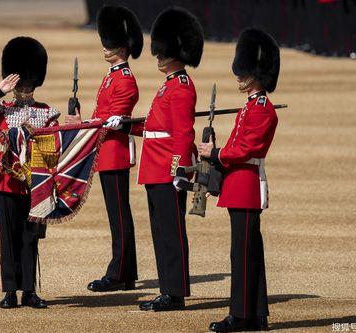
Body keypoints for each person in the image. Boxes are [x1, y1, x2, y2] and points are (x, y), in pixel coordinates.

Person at [105, 7, 203, 311]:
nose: (157, 57)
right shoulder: (170, 84)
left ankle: (175, 293)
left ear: (177, 53)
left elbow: (184, 134)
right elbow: (155, 126)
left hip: (167, 169)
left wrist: (178, 170)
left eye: (163, 53)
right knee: (161, 233)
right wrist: (126, 124)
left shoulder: (182, 88)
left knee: (171, 234)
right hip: (154, 167)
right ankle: (167, 289)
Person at [0, 36, 60, 309]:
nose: (25, 87)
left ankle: (29, 290)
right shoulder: (2, 110)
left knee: (30, 239)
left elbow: (56, 146)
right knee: (8, 238)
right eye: (21, 82)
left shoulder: (47, 113)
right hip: (7, 183)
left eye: (28, 82)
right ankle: (10, 290)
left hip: (35, 185)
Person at [197, 28, 280, 332]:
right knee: (250, 251)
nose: (239, 77)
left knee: (242, 254)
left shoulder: (261, 110)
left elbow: (246, 149)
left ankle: (241, 315)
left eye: (245, 72)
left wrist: (216, 153)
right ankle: (257, 314)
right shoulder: (250, 106)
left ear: (258, 74)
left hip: (246, 185)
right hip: (238, 184)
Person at [65, 5, 143, 292]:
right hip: (105, 151)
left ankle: (120, 272)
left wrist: (84, 123)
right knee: (116, 214)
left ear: (122, 48)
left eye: (111, 44)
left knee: (119, 214)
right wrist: (82, 120)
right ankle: (127, 271)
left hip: (114, 152)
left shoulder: (125, 80)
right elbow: (104, 115)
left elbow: (112, 121)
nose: (105, 48)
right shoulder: (112, 76)